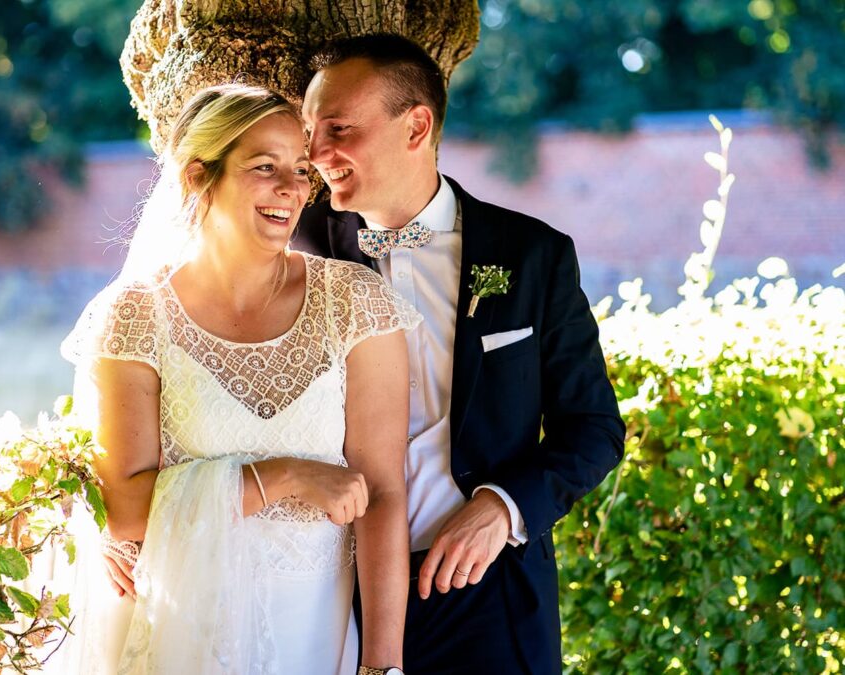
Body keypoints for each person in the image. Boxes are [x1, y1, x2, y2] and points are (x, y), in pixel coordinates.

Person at [59, 84, 421, 674]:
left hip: (314, 631)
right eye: (264, 167)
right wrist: (284, 477)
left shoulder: (356, 302)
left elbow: (382, 494)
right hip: (180, 634)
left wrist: (383, 665)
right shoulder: (134, 314)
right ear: (200, 175)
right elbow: (123, 505)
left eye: (301, 170)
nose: (293, 188)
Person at [296, 34, 625, 674]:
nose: (314, 154)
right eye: (310, 131)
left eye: (338, 128)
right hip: (327, 594)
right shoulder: (295, 250)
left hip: (490, 594)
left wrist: (503, 507)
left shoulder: (533, 255)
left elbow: (594, 429)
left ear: (417, 126)